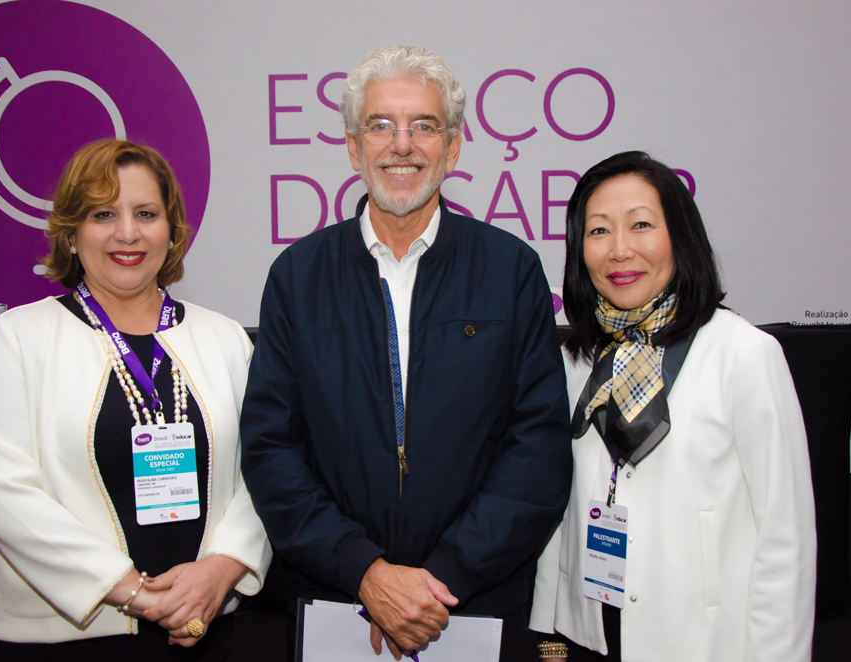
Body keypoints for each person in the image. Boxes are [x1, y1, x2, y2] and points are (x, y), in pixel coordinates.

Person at [239, 45, 572, 661]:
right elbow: (271, 449)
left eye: (424, 126)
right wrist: (365, 572)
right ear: (352, 147)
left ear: (453, 147)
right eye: (380, 125)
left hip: (473, 603)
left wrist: (441, 578)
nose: (402, 145)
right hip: (336, 602)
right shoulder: (298, 276)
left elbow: (539, 448)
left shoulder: (511, 270)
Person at [0, 140, 271, 660]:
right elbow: (0, 489)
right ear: (72, 233)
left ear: (171, 231)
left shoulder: (225, 338)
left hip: (201, 626)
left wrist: (222, 570)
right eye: (103, 214)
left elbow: (268, 467)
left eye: (146, 214)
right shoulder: (20, 338)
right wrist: (135, 593)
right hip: (58, 640)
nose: (127, 232)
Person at [529, 151, 816, 661]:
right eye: (599, 231)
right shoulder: (577, 360)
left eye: (641, 225)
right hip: (592, 632)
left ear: (679, 236)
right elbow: (560, 507)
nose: (619, 250)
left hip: (702, 641)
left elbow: (785, 536)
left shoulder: (744, 354)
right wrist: (549, 624)